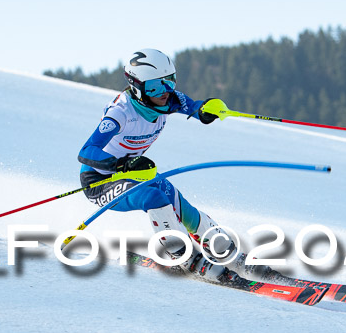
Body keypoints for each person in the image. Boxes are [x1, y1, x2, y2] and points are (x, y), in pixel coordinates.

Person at [77, 48, 257, 282]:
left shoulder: (167, 100)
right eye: (154, 87)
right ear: (138, 87)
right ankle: (185, 258)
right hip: (101, 181)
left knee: (185, 210)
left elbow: (194, 107)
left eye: (169, 81)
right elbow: (86, 151)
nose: (165, 92)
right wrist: (123, 164)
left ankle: (229, 254)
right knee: (154, 198)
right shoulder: (120, 113)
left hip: (137, 173)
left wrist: (207, 109)